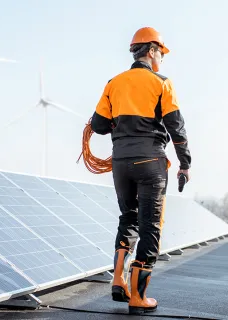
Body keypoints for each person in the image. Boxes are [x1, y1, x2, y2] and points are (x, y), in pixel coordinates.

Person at [90, 26, 191, 315]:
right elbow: (176, 128)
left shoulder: (114, 83)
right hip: (151, 164)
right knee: (151, 226)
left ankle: (118, 279)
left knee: (128, 218)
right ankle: (138, 297)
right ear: (151, 51)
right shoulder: (162, 83)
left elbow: (98, 126)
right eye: (161, 53)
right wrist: (185, 164)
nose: (162, 59)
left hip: (121, 163)